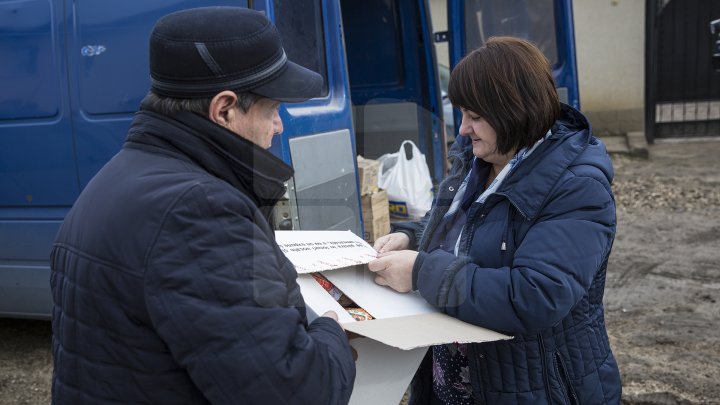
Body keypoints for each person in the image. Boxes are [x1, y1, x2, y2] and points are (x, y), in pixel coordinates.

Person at [49, 7, 355, 405]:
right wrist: (332, 331)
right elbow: (295, 392)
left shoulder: (121, 175)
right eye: (273, 109)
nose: (279, 126)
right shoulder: (199, 212)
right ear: (224, 108)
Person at [368, 37, 622, 404]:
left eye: (475, 117)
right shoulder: (479, 159)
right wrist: (410, 237)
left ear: (514, 112)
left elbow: (534, 295)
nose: (463, 129)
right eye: (462, 114)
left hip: (533, 390)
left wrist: (421, 272)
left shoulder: (577, 188)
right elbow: (466, 230)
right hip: (456, 383)